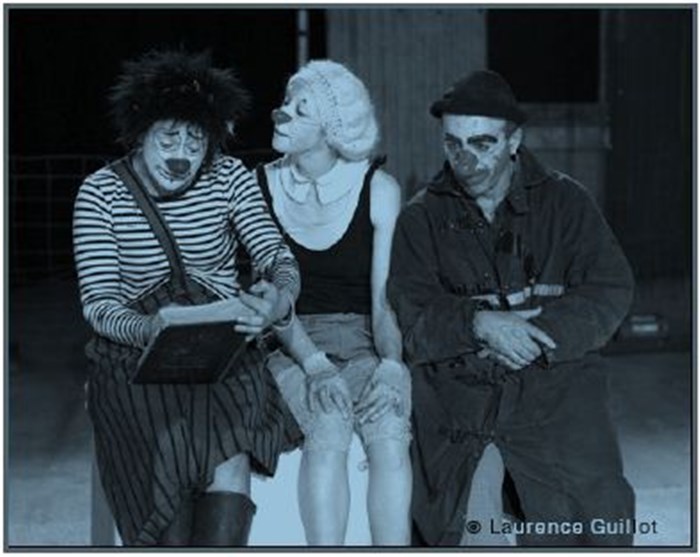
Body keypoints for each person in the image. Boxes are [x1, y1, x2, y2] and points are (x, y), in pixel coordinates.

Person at [387, 70, 635, 547]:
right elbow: (411, 315)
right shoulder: (421, 218)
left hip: (558, 394)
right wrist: (479, 323)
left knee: (593, 517)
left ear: (514, 140)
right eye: (454, 144)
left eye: (483, 143)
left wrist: (535, 338)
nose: (466, 160)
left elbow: (610, 288)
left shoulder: (566, 203)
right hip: (462, 403)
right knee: (462, 526)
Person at [73, 49, 303, 547]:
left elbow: (277, 257)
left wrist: (277, 299)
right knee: (168, 472)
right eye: (168, 139)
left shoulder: (230, 177)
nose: (181, 155)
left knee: (230, 455)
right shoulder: (100, 193)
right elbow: (99, 305)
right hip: (133, 359)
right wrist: (150, 327)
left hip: (223, 351)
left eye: (195, 142)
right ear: (140, 134)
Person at [255, 60, 412, 545]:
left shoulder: (379, 190)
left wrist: (391, 364)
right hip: (291, 344)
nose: (282, 114)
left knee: (389, 430)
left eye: (301, 109)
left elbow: (383, 302)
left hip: (364, 342)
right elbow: (271, 302)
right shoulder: (259, 186)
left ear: (332, 130)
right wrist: (315, 363)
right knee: (329, 423)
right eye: (286, 102)